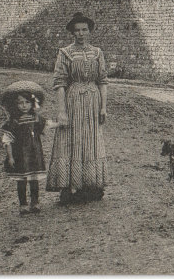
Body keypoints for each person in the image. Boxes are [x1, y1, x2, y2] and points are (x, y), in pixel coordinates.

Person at [46, 12, 109, 204]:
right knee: (71, 142)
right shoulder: (65, 53)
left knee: (91, 141)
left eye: (84, 30)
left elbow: (102, 81)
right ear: (72, 33)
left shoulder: (97, 53)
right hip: (73, 101)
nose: (81, 34)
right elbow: (60, 84)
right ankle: (70, 187)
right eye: (77, 30)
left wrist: (103, 107)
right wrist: (62, 111)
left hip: (92, 101)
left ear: (89, 31)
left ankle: (91, 185)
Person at [0, 83, 47, 215]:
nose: (24, 106)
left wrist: (61, 124)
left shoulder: (36, 119)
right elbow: (7, 141)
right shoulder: (12, 123)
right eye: (20, 103)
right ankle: (23, 204)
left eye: (27, 102)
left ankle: (35, 202)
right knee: (21, 180)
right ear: (15, 105)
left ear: (33, 104)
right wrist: (10, 157)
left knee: (34, 179)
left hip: (34, 154)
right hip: (20, 155)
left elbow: (47, 125)